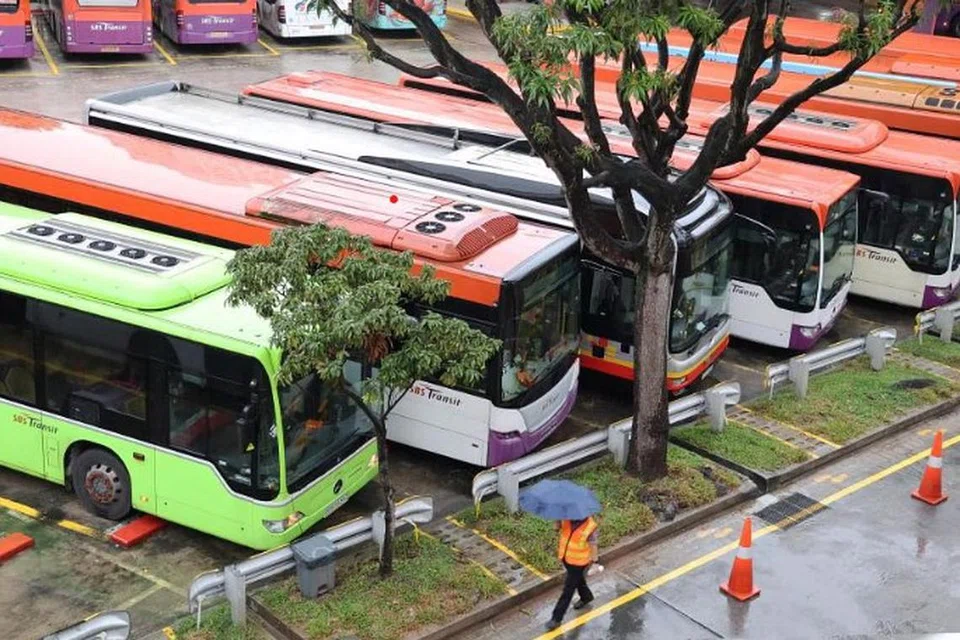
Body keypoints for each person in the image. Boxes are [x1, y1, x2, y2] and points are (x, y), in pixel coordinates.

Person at [546, 515, 599, 630]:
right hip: (566, 557)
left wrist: (595, 562)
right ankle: (586, 597)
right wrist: (557, 519)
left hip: (579, 562)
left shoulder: (590, 526)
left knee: (568, 590)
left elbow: (593, 544)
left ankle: (556, 618)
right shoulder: (565, 516)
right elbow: (557, 528)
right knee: (578, 581)